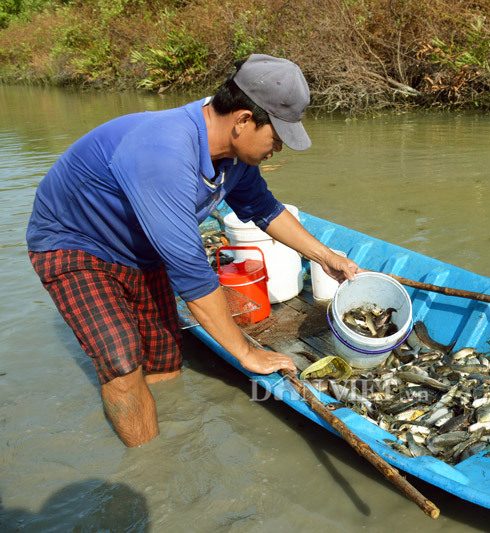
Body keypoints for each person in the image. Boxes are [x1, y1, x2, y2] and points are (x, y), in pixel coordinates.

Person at [26, 54, 360, 447]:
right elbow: (191, 275)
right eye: (278, 137)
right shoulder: (164, 154)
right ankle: (150, 472)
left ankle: (176, 440)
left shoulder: (233, 156)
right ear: (242, 121)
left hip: (142, 247)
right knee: (121, 359)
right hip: (76, 245)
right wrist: (244, 351)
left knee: (165, 357)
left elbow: (264, 209)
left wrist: (325, 256)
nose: (279, 149)